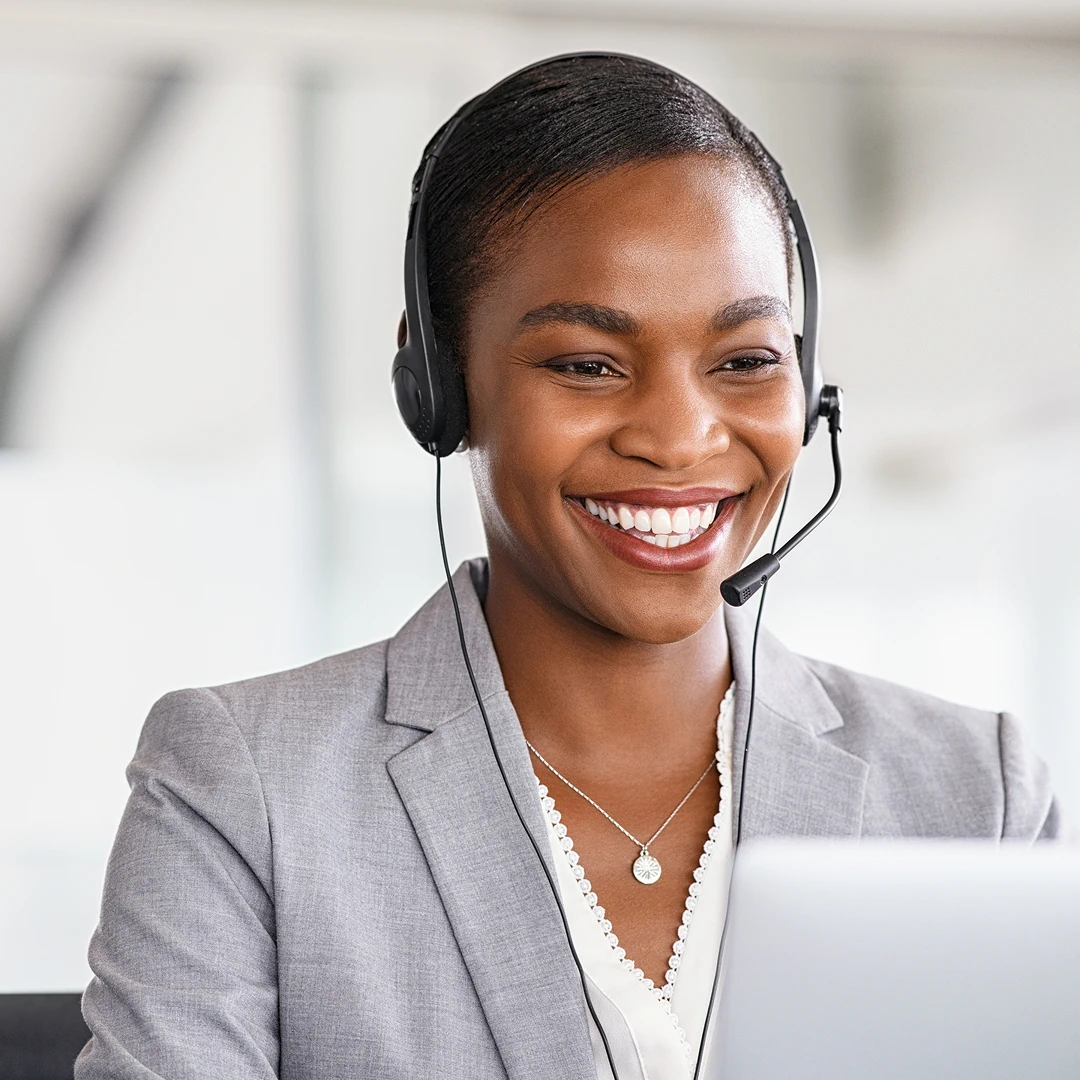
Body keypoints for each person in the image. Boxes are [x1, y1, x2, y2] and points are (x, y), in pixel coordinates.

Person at [76, 54, 1063, 1080]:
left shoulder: (973, 797)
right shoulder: (249, 788)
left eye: (745, 362)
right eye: (587, 365)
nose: (679, 440)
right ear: (440, 387)